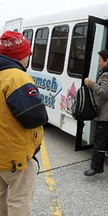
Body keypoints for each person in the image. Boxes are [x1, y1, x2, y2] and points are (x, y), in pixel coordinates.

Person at [0, 31, 48, 216]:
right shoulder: (17, 78)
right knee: (19, 201)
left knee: (2, 199)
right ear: (21, 55)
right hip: (16, 157)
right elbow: (35, 116)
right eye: (29, 54)